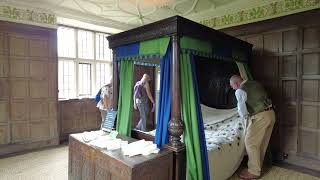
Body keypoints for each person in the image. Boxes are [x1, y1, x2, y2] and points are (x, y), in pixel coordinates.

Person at [230, 75, 275, 180]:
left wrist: (246, 117)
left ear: (236, 83)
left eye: (232, 86)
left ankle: (254, 172)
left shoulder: (240, 90)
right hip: (271, 114)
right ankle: (258, 167)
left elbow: (242, 110)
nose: (232, 88)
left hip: (260, 117)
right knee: (262, 143)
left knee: (250, 142)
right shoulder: (255, 83)